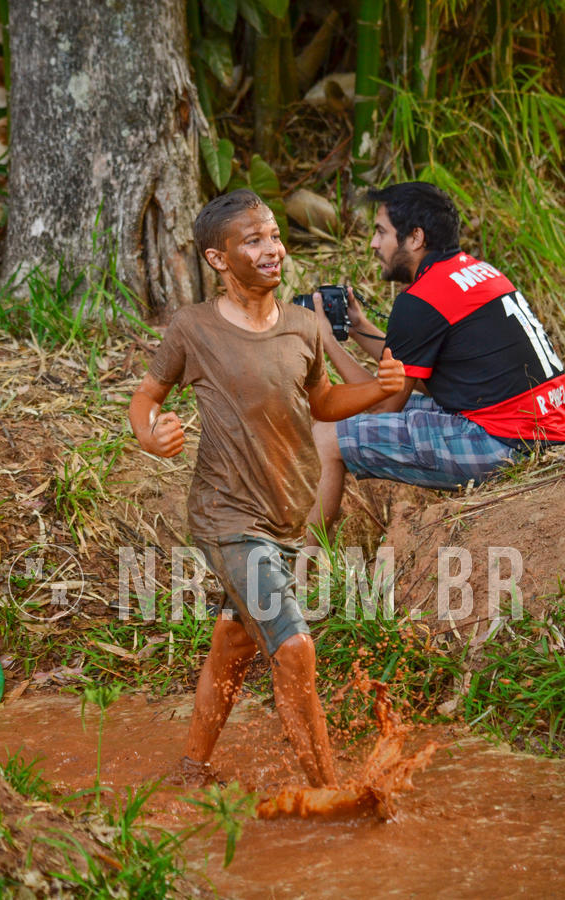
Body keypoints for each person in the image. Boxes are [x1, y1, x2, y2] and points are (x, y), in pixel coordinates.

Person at [128, 189, 405, 788]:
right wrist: (153, 437)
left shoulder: (304, 326)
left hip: (283, 516)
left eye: (275, 236)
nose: (272, 249)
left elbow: (324, 401)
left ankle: (191, 769)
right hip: (226, 515)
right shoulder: (194, 328)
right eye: (253, 241)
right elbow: (147, 398)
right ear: (219, 259)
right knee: (295, 646)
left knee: (233, 640)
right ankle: (327, 792)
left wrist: (382, 390)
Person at [308, 181, 565, 538]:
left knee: (325, 436)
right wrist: (358, 326)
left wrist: (324, 340)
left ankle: (295, 572)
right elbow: (404, 377)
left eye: (381, 232)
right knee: (400, 401)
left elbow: (383, 408)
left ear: (415, 238)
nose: (373, 244)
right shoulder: (479, 272)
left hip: (504, 443)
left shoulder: (420, 300)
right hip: (544, 431)